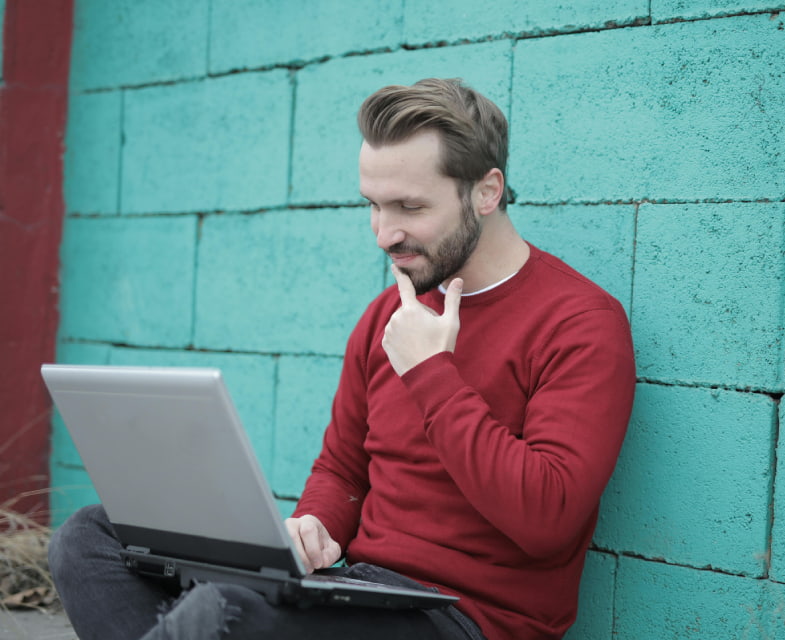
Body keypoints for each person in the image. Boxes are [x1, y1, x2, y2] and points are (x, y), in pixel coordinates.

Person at [48, 78, 636, 640]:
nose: (384, 233)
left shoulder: (580, 323)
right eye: (373, 206)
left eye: (409, 207)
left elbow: (546, 520)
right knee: (90, 536)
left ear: (487, 191)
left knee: (223, 613)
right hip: (355, 587)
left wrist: (432, 374)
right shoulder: (386, 315)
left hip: (463, 619)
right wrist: (316, 527)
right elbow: (343, 470)